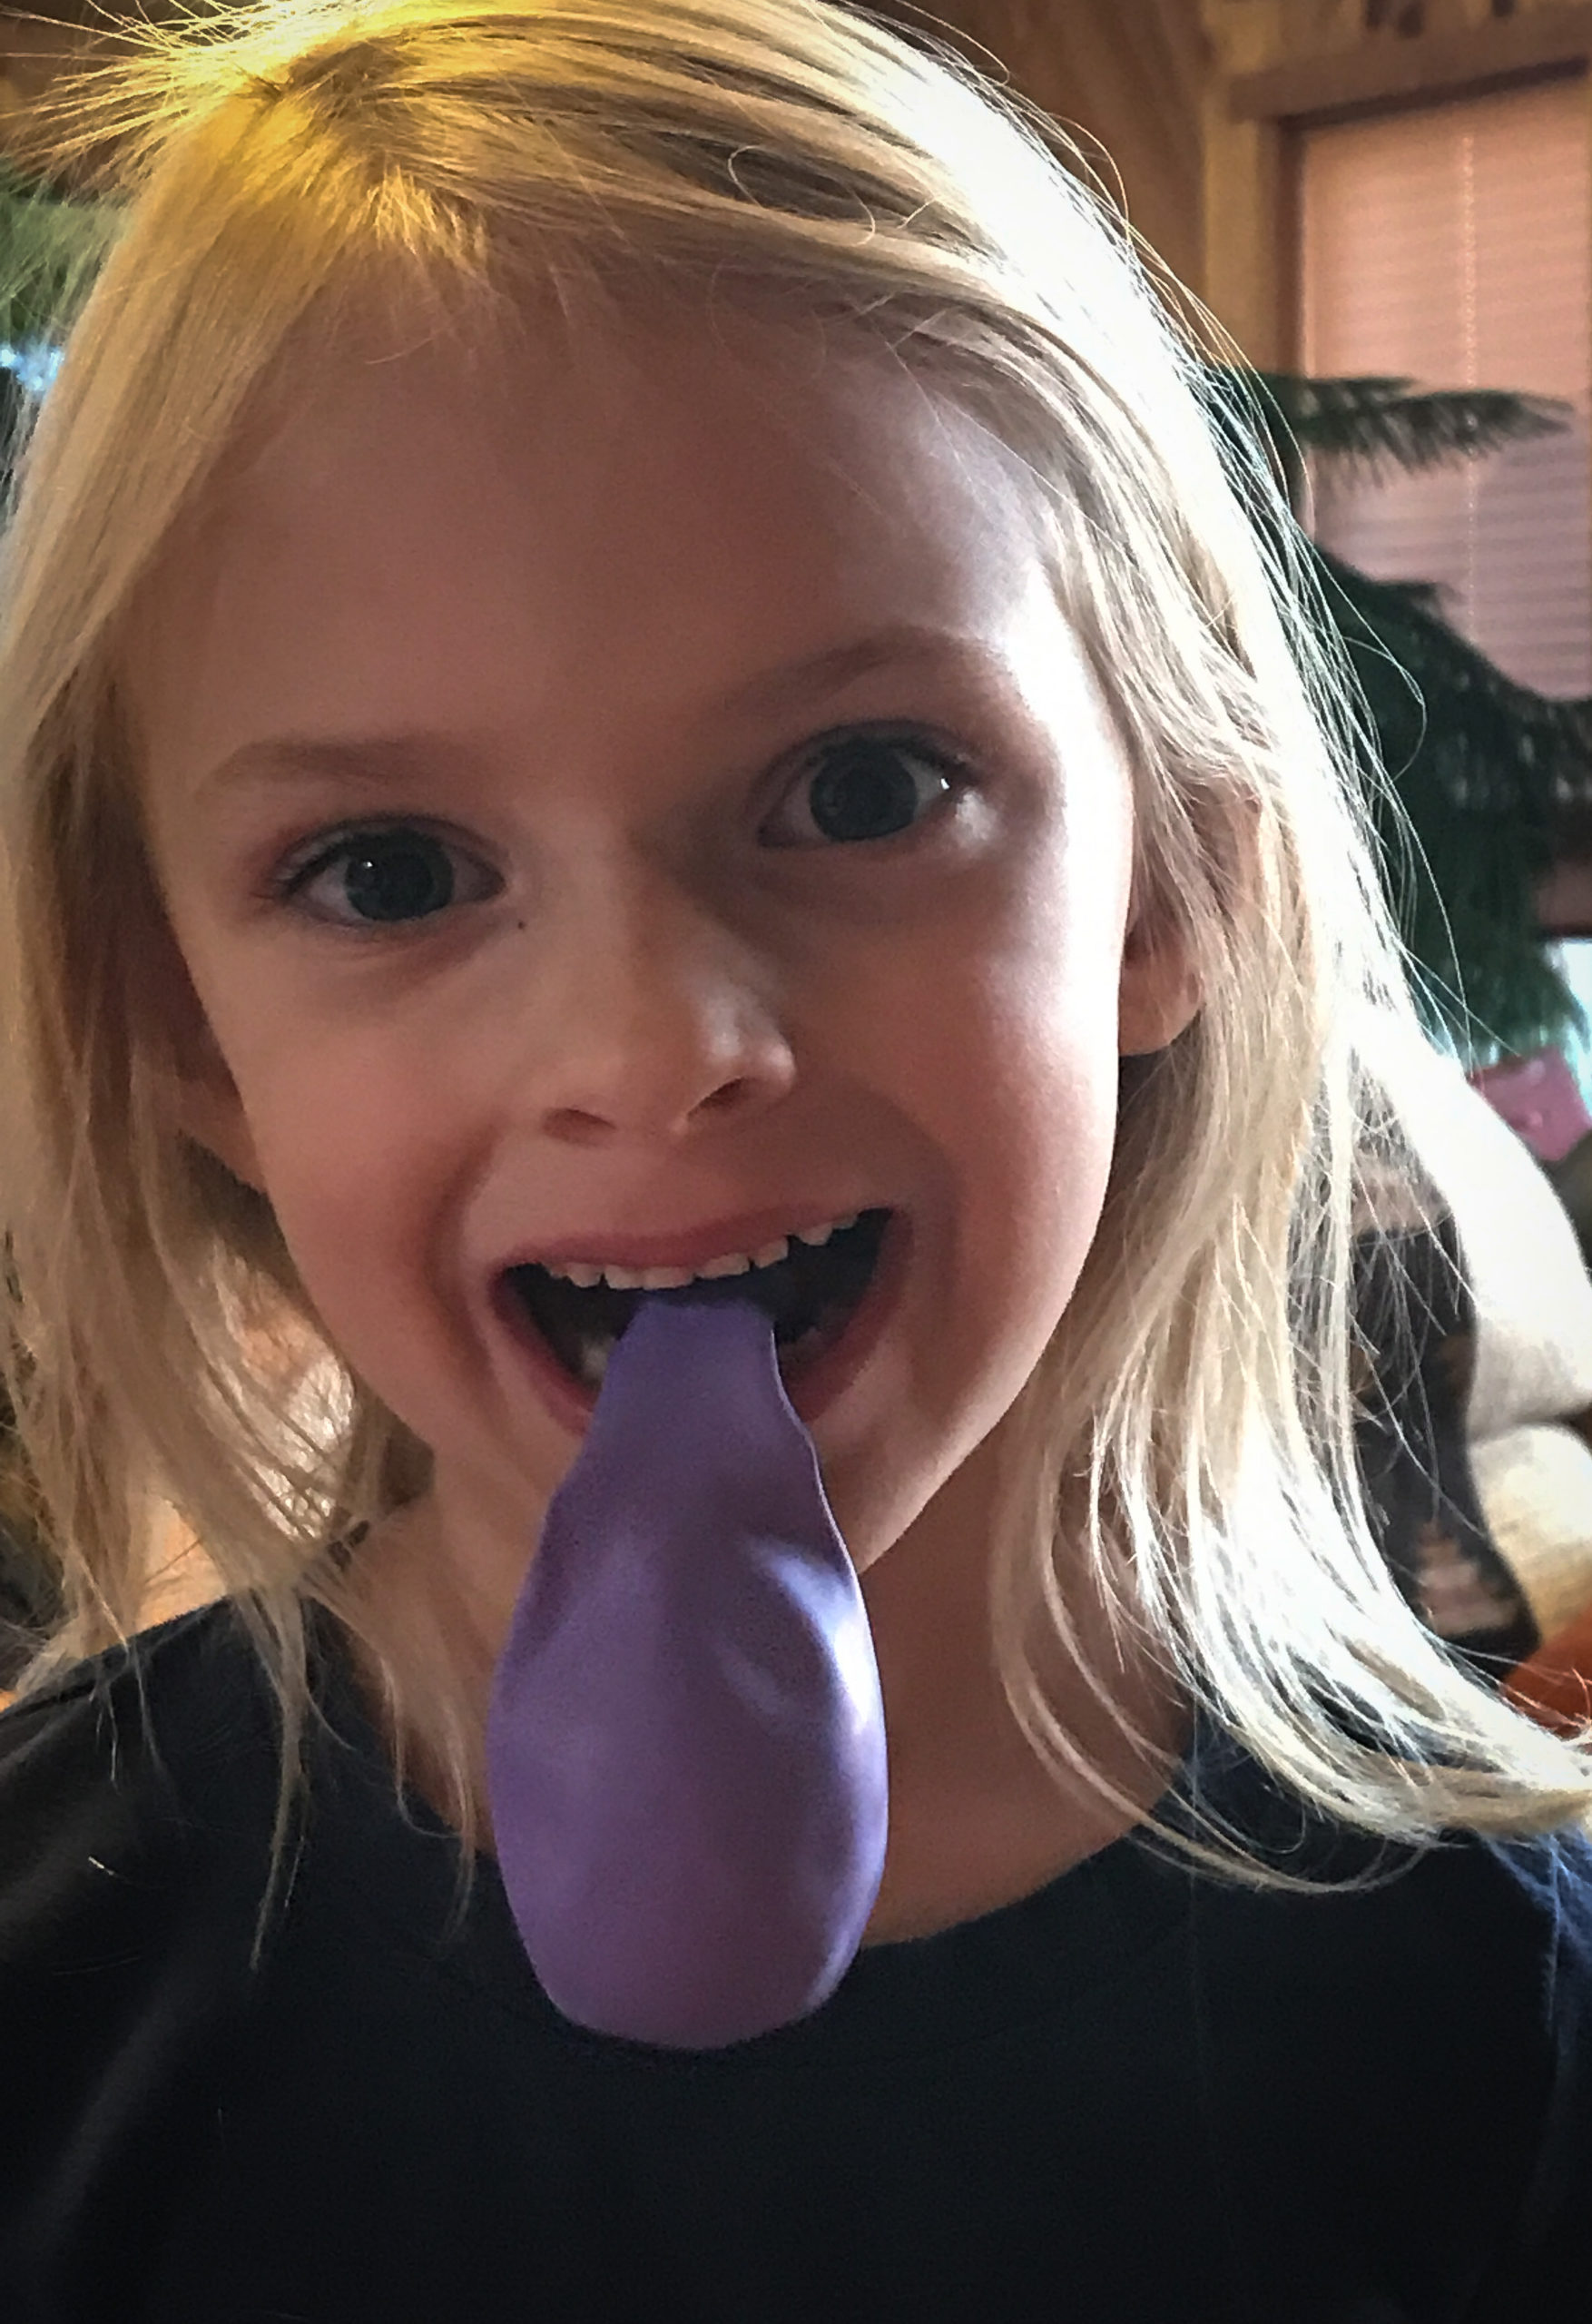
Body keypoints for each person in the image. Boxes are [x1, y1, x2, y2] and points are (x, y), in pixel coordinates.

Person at [0, 3, 1589, 2316]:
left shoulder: (1495, 2010)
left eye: (861, 789)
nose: (655, 1052)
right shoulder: (52, 1972)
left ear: (1170, 889)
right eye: (389, 870)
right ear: (183, 1032)